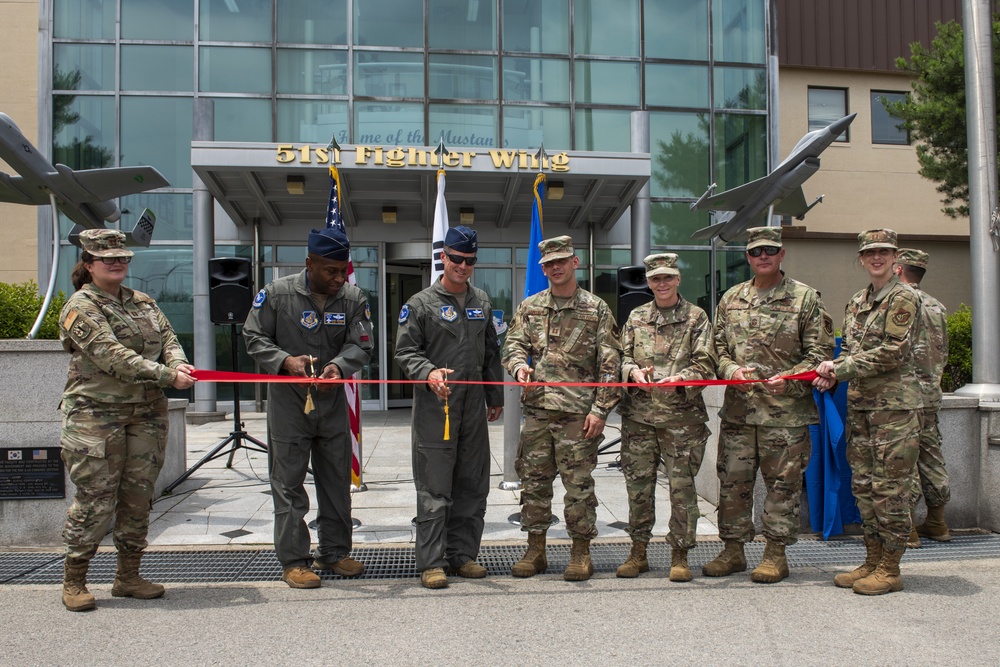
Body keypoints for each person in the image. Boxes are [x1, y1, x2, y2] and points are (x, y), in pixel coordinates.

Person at [58, 229, 196, 612]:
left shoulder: (143, 302)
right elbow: (112, 355)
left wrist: (178, 362)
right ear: (88, 265)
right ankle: (74, 580)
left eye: (122, 258)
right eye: (107, 259)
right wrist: (169, 377)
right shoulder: (80, 306)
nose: (118, 263)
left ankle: (128, 577)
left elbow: (168, 338)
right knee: (96, 500)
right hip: (96, 417)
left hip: (146, 413)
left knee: (138, 498)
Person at [243, 226, 373, 589]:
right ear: (309, 264)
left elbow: (362, 344)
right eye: (330, 270)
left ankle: (334, 552)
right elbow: (253, 336)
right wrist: (284, 360)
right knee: (288, 484)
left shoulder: (352, 298)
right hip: (289, 405)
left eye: (343, 270)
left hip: (331, 404)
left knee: (335, 482)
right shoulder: (276, 294)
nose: (338, 278)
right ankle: (295, 560)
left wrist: (339, 366)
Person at [706, 226, 834, 584]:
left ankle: (775, 553)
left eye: (770, 250)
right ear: (747, 257)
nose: (763, 256)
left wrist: (790, 379)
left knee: (782, 485)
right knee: (732, 483)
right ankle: (733, 551)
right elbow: (716, 348)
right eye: (756, 251)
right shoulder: (731, 298)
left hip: (785, 415)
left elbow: (821, 355)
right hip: (739, 413)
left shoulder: (805, 298)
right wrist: (731, 369)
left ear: (781, 255)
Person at [501, 235, 621, 582]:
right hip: (538, 412)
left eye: (561, 261)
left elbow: (610, 364)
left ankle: (581, 552)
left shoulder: (595, 308)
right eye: (549, 264)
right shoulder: (531, 306)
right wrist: (517, 366)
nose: (555, 268)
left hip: (577, 417)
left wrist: (600, 410)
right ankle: (535, 550)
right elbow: (512, 344)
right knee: (534, 484)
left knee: (578, 487)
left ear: (574, 263)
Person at [394, 226, 504, 589]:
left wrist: (495, 396)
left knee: (473, 484)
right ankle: (432, 561)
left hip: (473, 407)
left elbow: (491, 353)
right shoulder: (420, 304)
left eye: (469, 260)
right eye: (456, 259)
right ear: (443, 257)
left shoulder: (482, 302)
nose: (462, 266)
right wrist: (428, 373)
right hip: (436, 407)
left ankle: (463, 555)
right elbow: (405, 352)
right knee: (435, 486)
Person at [815, 228, 922, 596]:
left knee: (889, 490)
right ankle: (872, 560)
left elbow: (895, 351)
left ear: (896, 259)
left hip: (894, 411)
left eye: (884, 252)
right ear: (861, 259)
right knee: (863, 487)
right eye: (869, 252)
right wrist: (833, 374)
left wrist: (839, 370)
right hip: (861, 407)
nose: (876, 257)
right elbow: (850, 351)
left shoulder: (904, 298)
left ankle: (891, 569)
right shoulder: (858, 301)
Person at [615, 253, 716, 582]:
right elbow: (622, 357)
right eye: (655, 278)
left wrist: (682, 379)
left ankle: (680, 554)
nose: (661, 284)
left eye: (667, 278)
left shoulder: (696, 318)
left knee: (682, 490)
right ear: (648, 281)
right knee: (638, 488)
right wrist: (632, 372)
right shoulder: (636, 317)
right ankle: (638, 552)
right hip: (640, 420)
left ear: (678, 279)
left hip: (681, 421)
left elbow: (706, 363)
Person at [894, 249, 951, 546]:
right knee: (931, 455)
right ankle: (938, 522)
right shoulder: (937, 306)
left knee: (904, 459)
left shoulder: (900, 302)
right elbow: (943, 353)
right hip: (930, 392)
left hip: (905, 394)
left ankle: (909, 528)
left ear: (899, 268)